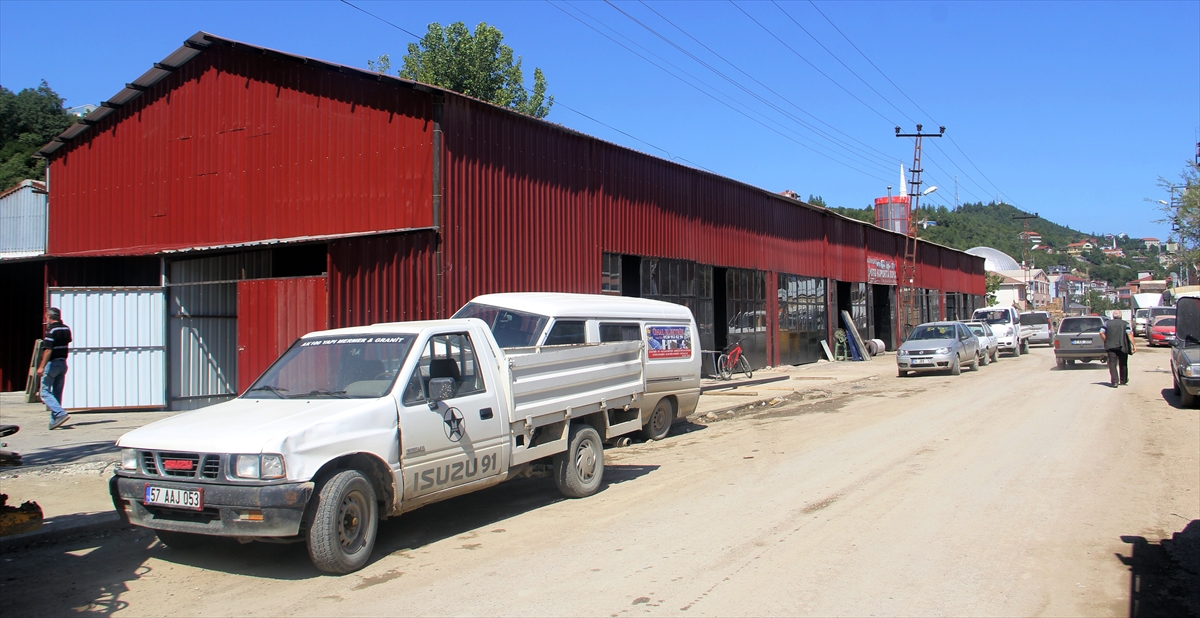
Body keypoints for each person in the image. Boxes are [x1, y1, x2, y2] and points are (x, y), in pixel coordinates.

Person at [36, 307, 73, 429]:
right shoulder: (66, 328)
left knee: (44, 392)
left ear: (49, 317)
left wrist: (41, 366)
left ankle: (60, 413)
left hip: (53, 364)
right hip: (63, 363)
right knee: (57, 393)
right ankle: (54, 421)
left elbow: (48, 350)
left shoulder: (51, 330)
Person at [1100, 313, 1135, 388]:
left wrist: (1106, 340)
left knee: (1112, 364)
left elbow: (1101, 332)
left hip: (1111, 346)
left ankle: (1115, 382)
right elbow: (1129, 334)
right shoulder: (1125, 324)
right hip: (1122, 346)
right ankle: (1123, 380)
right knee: (1123, 363)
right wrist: (1134, 344)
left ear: (1113, 316)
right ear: (1121, 316)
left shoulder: (1107, 323)